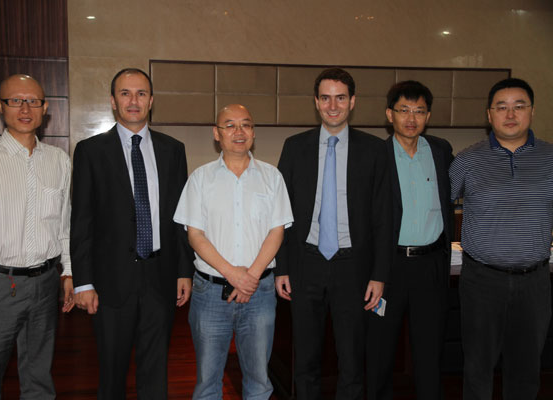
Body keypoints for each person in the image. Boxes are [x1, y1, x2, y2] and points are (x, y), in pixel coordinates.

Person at [70, 68, 193, 399]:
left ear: (151, 101)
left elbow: (180, 218)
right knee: (112, 374)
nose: (133, 100)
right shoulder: (90, 151)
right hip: (110, 282)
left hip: (160, 277)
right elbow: (81, 221)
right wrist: (83, 282)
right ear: (113, 101)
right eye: (125, 93)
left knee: (156, 373)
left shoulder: (173, 150)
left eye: (141, 93)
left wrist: (184, 271)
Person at [0, 74, 74, 399]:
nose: (25, 108)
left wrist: (67, 271)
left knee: (39, 378)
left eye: (33, 101)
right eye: (15, 100)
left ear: (45, 108)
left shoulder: (59, 160)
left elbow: (64, 224)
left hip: (46, 284)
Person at [275, 67, 392, 399]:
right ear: (316, 102)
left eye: (340, 98)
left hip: (353, 269)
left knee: (352, 361)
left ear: (352, 101)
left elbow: (384, 217)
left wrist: (379, 275)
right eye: (325, 98)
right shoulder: (295, 147)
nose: (333, 106)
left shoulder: (375, 150)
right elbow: (279, 214)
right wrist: (282, 267)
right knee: (305, 360)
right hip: (305, 265)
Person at [173, 104, 293, 399]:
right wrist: (233, 274)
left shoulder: (272, 177)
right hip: (210, 294)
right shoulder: (200, 178)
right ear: (217, 134)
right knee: (207, 382)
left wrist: (250, 277)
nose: (239, 131)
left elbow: (277, 231)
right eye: (230, 125)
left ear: (253, 132)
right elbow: (195, 235)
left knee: (259, 381)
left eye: (246, 125)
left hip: (260, 293)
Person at [450, 78, 553, 399]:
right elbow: (437, 208)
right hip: (482, 281)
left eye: (519, 106)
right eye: (502, 107)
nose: (510, 114)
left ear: (531, 111)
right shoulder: (466, 161)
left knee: (526, 370)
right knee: (477, 369)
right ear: (489, 114)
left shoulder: (550, 157)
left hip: (535, 282)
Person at [366, 81, 453, 399]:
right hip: (389, 268)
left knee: (430, 351)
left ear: (428, 116)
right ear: (390, 114)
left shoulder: (441, 151)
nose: (411, 118)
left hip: (431, 265)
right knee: (380, 350)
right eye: (404, 110)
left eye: (419, 111)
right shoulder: (375, 155)